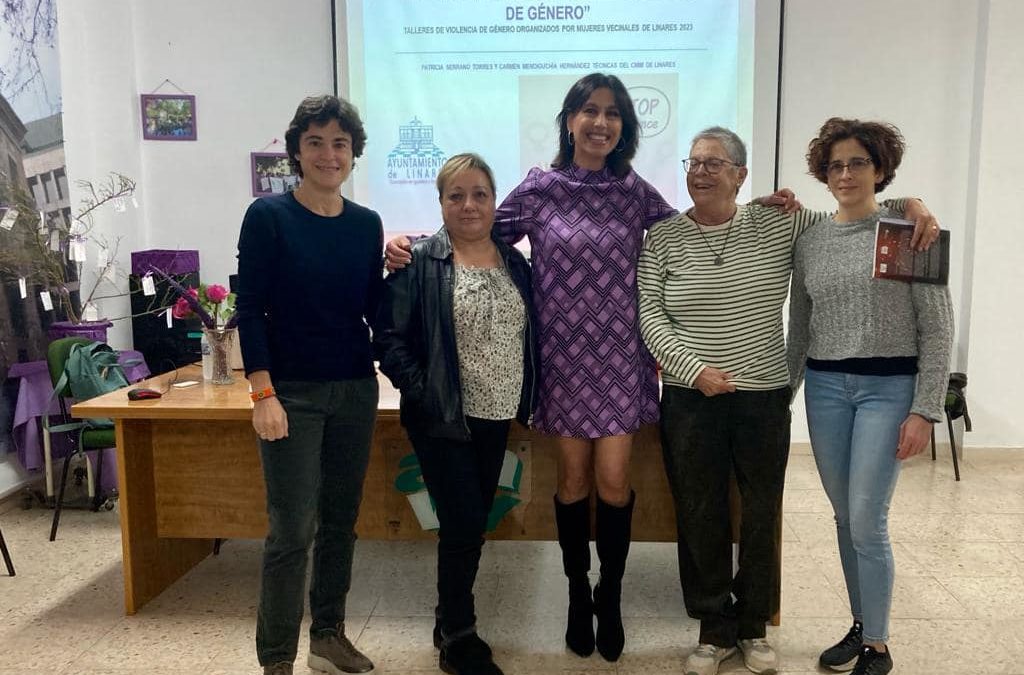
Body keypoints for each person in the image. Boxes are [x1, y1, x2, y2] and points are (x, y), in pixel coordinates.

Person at [387, 73, 678, 662]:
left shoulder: (634, 191)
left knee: (615, 484)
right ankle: (576, 594)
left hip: (621, 357)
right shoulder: (541, 188)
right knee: (572, 484)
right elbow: (473, 228)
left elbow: (689, 234)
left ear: (624, 127)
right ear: (569, 120)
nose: (601, 122)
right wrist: (406, 243)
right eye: (589, 111)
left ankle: (610, 596)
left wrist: (760, 213)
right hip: (563, 360)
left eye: (613, 113)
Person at [637, 126, 939, 675]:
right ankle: (712, 628)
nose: (701, 172)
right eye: (694, 162)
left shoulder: (784, 224)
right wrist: (693, 370)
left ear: (740, 175)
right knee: (700, 511)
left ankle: (754, 627)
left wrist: (913, 203)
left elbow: (857, 209)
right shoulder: (661, 237)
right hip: (690, 396)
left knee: (761, 516)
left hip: (763, 397)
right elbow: (650, 315)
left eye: (716, 163)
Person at [787, 118, 954, 675]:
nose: (846, 173)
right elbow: (801, 327)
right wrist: (783, 394)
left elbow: (938, 328)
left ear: (880, 169)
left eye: (858, 162)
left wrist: (925, 410)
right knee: (842, 518)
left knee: (866, 519)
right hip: (827, 389)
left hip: (889, 391)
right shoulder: (810, 240)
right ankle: (862, 626)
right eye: (835, 165)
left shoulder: (909, 230)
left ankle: (878, 646)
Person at [374, 153, 537, 675]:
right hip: (442, 418)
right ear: (441, 203)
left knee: (470, 523)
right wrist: (424, 392)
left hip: (497, 416)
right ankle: (460, 636)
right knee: (464, 524)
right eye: (456, 195)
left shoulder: (515, 263)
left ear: (494, 201)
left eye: (480, 195)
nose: (469, 205)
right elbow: (390, 340)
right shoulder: (418, 261)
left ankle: (447, 619)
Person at [236, 95, 382, 675]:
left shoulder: (366, 225)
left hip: (353, 388)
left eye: (340, 143)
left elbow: (372, 307)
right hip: (290, 393)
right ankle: (276, 660)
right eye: (316, 142)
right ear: (297, 149)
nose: (329, 154)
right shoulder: (268, 216)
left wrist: (404, 263)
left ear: (353, 153)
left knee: (341, 522)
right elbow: (250, 309)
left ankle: (328, 633)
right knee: (292, 530)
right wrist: (262, 392)